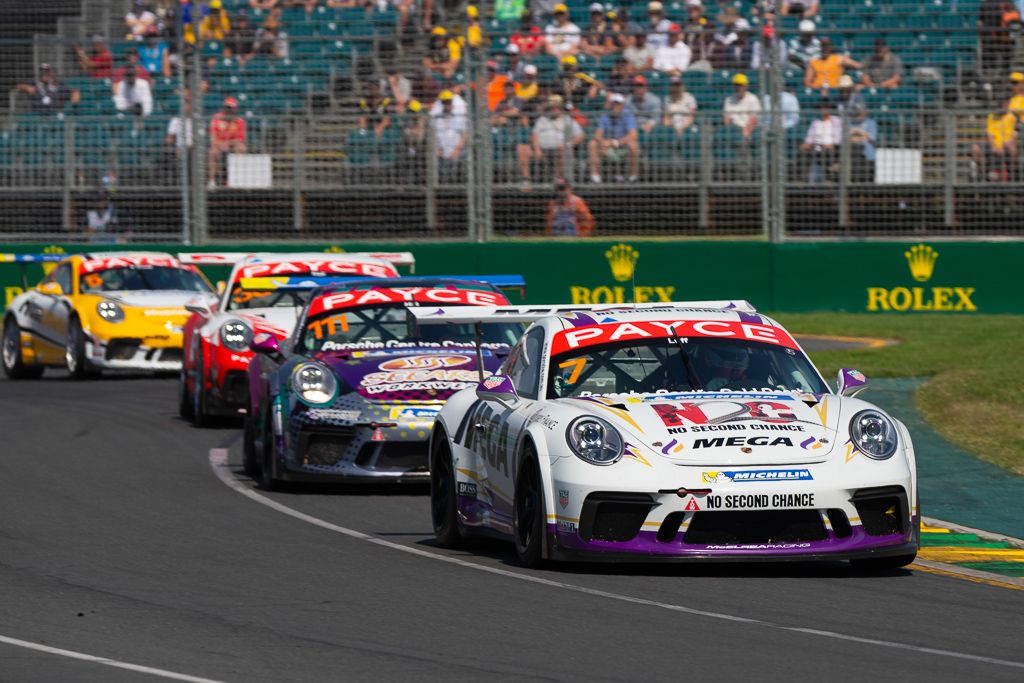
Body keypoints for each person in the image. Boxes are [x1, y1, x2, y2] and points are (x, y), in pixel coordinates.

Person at [519, 95, 585, 188]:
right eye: (552, 107)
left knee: (563, 150)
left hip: (560, 148)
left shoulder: (568, 120)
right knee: (522, 148)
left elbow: (580, 135)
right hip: (542, 149)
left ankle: (557, 179)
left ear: (560, 108)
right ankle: (526, 180)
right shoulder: (542, 120)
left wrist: (569, 144)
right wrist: (537, 149)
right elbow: (534, 136)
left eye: (556, 107)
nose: (554, 109)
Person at [589, 93, 639, 183]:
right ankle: (595, 176)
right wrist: (603, 142)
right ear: (611, 104)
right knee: (593, 143)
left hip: (622, 146)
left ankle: (633, 176)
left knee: (633, 145)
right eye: (614, 103)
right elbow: (597, 134)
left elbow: (633, 134)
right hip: (608, 147)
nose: (616, 106)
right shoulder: (605, 115)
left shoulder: (628, 114)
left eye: (618, 104)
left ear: (622, 105)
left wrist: (617, 142)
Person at [972, 99, 1018, 181]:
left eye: (1007, 104)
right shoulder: (992, 116)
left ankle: (1012, 175)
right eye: (1004, 104)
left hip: (1006, 144)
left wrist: (1008, 143)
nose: (1006, 106)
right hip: (993, 144)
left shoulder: (1012, 116)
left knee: (1012, 149)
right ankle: (983, 174)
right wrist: (993, 146)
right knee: (975, 148)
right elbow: (990, 133)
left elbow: (1015, 133)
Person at [208, 97, 247, 188]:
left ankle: (236, 179)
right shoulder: (216, 119)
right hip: (219, 144)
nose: (229, 110)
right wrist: (221, 144)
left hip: (232, 145)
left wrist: (228, 143)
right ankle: (211, 181)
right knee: (212, 152)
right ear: (224, 107)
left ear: (235, 109)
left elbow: (240, 139)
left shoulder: (239, 121)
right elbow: (213, 138)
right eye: (227, 107)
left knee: (242, 148)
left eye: (231, 108)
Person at [431, 90, 468, 182]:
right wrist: (436, 148)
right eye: (445, 102)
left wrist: (457, 149)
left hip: (456, 151)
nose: (447, 104)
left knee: (457, 170)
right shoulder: (436, 117)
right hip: (442, 151)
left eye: (448, 102)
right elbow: (432, 134)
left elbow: (464, 134)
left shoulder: (459, 116)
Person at [800, 101, 841, 182]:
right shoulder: (816, 122)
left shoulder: (837, 121)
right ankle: (802, 180)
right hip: (817, 147)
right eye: (821, 108)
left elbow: (838, 138)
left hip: (833, 148)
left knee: (825, 152)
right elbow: (810, 138)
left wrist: (829, 145)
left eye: (825, 108)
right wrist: (806, 144)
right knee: (803, 152)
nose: (823, 110)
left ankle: (828, 173)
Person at [723, 73, 760, 138]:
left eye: (741, 85)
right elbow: (726, 120)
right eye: (736, 85)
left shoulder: (753, 99)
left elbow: (754, 119)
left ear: (746, 86)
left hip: (749, 129)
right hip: (733, 130)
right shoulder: (729, 100)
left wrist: (747, 129)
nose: (739, 87)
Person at [848, 106, 877, 182]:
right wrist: (863, 135)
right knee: (855, 179)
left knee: (868, 180)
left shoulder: (871, 123)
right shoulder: (851, 123)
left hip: (868, 156)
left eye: (860, 113)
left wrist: (858, 133)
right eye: (857, 114)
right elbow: (849, 138)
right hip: (854, 157)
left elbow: (872, 137)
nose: (858, 116)